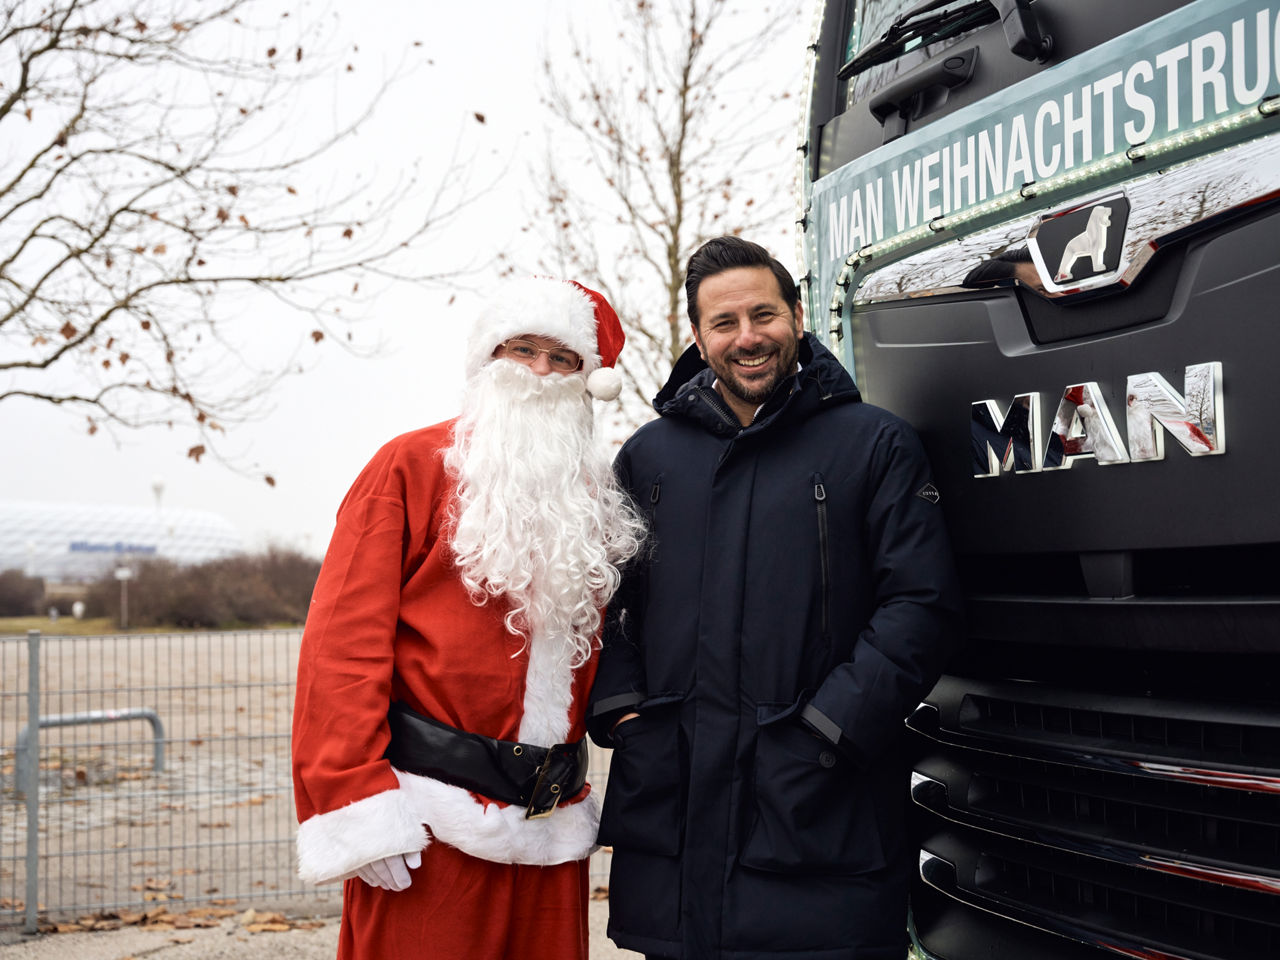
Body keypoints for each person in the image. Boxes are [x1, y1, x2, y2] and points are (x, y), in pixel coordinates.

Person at [587, 236, 963, 959]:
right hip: (674, 822)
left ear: (797, 314)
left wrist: (825, 733)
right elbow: (596, 604)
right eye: (724, 323)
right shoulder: (648, 457)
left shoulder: (873, 444)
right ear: (697, 337)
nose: (748, 337)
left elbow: (921, 605)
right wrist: (626, 715)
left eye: (764, 314)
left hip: (819, 817)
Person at [291, 277, 645, 960]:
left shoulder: (597, 502)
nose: (540, 373)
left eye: (563, 358)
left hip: (551, 826)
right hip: (428, 826)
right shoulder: (407, 467)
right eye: (523, 350)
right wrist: (355, 801)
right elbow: (341, 648)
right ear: (489, 360)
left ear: (585, 379)